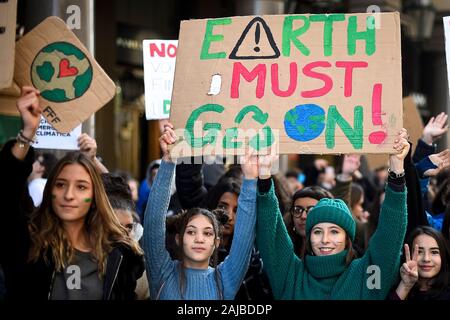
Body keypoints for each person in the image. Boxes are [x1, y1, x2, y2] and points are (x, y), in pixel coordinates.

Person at [0, 86, 144, 300]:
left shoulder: (118, 255)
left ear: (95, 197)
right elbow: (6, 189)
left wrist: (93, 160)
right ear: (50, 192)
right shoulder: (32, 244)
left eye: (81, 187)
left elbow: (119, 191)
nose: (69, 194)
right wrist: (28, 133)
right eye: (60, 185)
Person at [256, 129, 410, 299]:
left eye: (334, 231)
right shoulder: (290, 275)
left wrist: (396, 169)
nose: (325, 240)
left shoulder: (369, 274)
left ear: (347, 238)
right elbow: (271, 234)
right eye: (317, 231)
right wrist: (263, 175)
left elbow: (390, 233)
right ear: (308, 236)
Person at [143, 123, 257, 300]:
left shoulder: (225, 279)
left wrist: (250, 178)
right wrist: (168, 162)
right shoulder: (161, 272)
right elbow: (153, 222)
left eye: (208, 233)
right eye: (191, 232)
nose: (199, 239)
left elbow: (245, 237)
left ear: (216, 242)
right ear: (179, 239)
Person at [393, 226, 450, 300]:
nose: (426, 259)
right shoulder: (397, 288)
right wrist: (405, 286)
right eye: (419, 252)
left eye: (434, 252)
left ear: (443, 256)